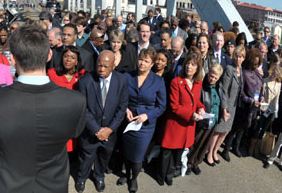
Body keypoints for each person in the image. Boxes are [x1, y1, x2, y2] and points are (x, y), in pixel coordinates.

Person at [0, 25, 86, 193]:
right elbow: (74, 132)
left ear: (12, 59)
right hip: (53, 186)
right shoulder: (75, 101)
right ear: (49, 55)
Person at [76, 51, 128, 193]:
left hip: (110, 131)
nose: (102, 69)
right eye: (99, 65)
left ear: (113, 66)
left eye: (106, 66)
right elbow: (83, 108)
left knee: (103, 156)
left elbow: (122, 108)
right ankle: (81, 178)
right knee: (86, 156)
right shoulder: (85, 81)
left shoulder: (121, 80)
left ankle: (99, 176)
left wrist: (110, 129)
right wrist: (97, 129)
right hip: (90, 130)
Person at [120, 48, 166, 193]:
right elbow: (121, 97)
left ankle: (133, 178)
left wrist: (147, 115)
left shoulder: (158, 81)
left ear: (152, 64)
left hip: (145, 125)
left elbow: (162, 106)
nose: (142, 63)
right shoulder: (128, 76)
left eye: (146, 61)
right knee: (126, 152)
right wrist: (125, 109)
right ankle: (127, 175)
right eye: (141, 59)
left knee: (137, 156)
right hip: (128, 120)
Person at [158, 52, 205, 186]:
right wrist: (191, 114)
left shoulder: (197, 82)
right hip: (175, 124)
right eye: (188, 64)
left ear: (197, 68)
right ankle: (161, 175)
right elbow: (174, 106)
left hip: (188, 126)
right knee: (167, 152)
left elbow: (195, 102)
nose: (189, 67)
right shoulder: (176, 82)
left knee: (178, 153)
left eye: (193, 65)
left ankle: (169, 175)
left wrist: (201, 108)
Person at [224, 48, 263, 158]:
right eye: (254, 63)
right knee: (235, 128)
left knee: (243, 128)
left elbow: (261, 87)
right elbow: (240, 93)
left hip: (253, 108)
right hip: (243, 106)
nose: (256, 65)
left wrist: (262, 97)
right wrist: (251, 101)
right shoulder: (244, 72)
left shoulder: (257, 73)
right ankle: (226, 148)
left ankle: (236, 147)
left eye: (258, 63)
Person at [209, 45, 245, 163]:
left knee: (226, 131)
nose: (238, 59)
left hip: (234, 106)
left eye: (240, 56)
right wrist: (224, 109)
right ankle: (210, 153)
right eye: (236, 56)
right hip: (226, 105)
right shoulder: (230, 69)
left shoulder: (241, 71)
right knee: (218, 130)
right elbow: (224, 90)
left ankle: (215, 151)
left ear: (243, 58)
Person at [47, 45, 86, 153]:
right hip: (57, 118)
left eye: (72, 57)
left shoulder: (83, 75)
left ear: (77, 61)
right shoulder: (52, 74)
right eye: (66, 56)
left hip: (75, 118)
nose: (68, 60)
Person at [187, 63, 223, 175]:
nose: (212, 79)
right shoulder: (201, 85)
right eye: (211, 76)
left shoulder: (219, 87)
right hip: (202, 120)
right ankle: (189, 163)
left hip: (213, 121)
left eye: (215, 78)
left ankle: (197, 162)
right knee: (196, 143)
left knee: (205, 145)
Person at [251, 61, 282, 157]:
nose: (273, 76)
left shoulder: (278, 84)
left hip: (271, 111)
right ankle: (252, 147)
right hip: (263, 108)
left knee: (263, 130)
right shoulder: (265, 81)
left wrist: (275, 113)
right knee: (257, 128)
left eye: (275, 75)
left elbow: (276, 99)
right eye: (273, 73)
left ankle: (257, 148)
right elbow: (260, 94)